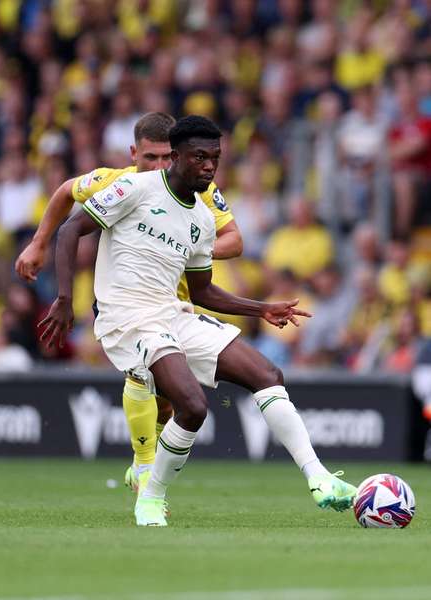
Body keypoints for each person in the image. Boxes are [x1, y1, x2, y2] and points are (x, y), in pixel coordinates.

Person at [38, 116, 356, 526]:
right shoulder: (134, 189)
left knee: (268, 372)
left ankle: (320, 479)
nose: (209, 167)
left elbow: (203, 292)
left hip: (171, 311)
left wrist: (262, 309)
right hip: (127, 317)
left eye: (215, 159)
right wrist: (65, 298)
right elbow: (70, 230)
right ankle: (151, 497)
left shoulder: (203, 219)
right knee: (192, 405)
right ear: (176, 157)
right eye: (199, 158)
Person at [15, 112, 243, 499]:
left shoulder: (199, 187)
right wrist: (38, 243)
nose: (156, 166)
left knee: (169, 403)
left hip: (176, 303)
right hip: (125, 303)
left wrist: (189, 250)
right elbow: (67, 191)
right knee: (142, 369)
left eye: (163, 158)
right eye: (148, 158)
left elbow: (234, 240)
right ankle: (144, 465)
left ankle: (145, 456)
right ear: (133, 153)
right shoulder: (116, 182)